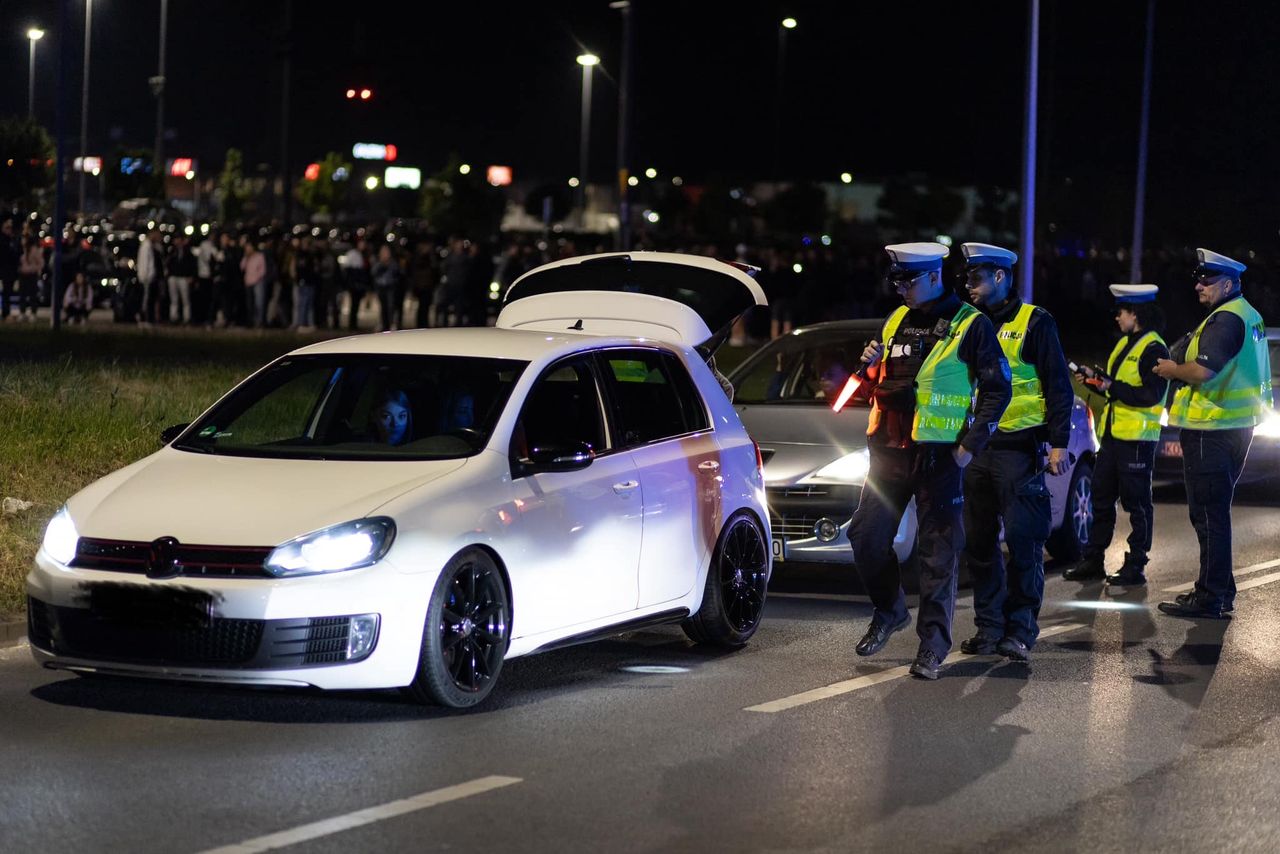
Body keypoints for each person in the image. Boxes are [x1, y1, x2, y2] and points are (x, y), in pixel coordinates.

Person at [847, 242, 1011, 680]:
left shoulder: (970, 324)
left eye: (908, 280)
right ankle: (890, 610)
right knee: (864, 537)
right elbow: (880, 380)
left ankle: (933, 646)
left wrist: (967, 447)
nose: (900, 288)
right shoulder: (897, 320)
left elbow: (998, 390)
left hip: (940, 454)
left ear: (935, 277)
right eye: (896, 280)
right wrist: (869, 365)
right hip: (888, 450)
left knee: (937, 553)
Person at [960, 242, 1074, 665]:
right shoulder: (968, 322)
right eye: (968, 277)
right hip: (976, 450)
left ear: (1001, 277)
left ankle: (1021, 629)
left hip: (1019, 450)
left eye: (977, 278)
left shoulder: (1035, 322)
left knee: (1024, 544)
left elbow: (1057, 384)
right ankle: (989, 628)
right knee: (980, 546)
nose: (969, 285)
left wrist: (1059, 442)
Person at [1153, 248, 1273, 619]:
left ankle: (1210, 596)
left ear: (1228, 283)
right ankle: (1221, 589)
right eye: (1198, 278)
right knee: (1215, 512)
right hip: (1234, 427)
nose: (1198, 285)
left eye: (1206, 280)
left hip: (1212, 428)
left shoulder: (1225, 319)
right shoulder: (1248, 314)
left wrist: (1174, 369)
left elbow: (1205, 371)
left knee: (1208, 515)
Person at [1064, 284, 1170, 586]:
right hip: (1112, 435)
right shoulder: (1127, 343)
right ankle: (1093, 559)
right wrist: (1096, 382)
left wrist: (1111, 386)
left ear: (1134, 313)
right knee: (1101, 497)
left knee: (1137, 503)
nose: (1116, 318)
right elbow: (1117, 388)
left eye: (1120, 312)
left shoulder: (1153, 348)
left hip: (1137, 439)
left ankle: (1136, 564)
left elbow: (1152, 393)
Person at [167, 234, 197, 324]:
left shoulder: (187, 251)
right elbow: (168, 263)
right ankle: (173, 317)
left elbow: (192, 264)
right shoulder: (172, 251)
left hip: (184, 278)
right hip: (173, 277)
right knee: (174, 299)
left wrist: (192, 276)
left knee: (185, 299)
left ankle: (186, 318)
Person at [241, 237, 267, 328]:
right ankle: (250, 322)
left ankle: (259, 322)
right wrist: (246, 257)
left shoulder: (259, 256)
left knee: (258, 303)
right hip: (248, 283)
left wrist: (256, 278)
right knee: (249, 304)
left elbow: (263, 270)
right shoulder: (247, 257)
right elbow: (242, 267)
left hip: (257, 283)